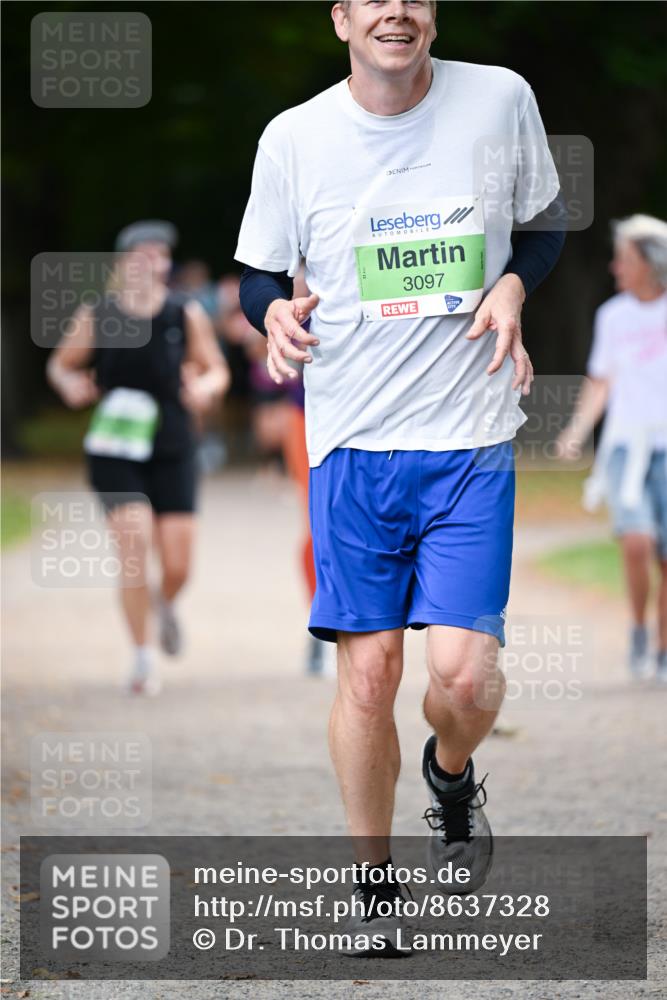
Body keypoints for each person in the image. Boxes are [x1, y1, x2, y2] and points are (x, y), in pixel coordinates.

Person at [236, 0, 564, 953]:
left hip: (467, 438)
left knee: (462, 681)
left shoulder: (499, 98)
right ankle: (373, 888)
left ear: (430, 14)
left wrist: (512, 281)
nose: (397, 12)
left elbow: (540, 229)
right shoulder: (294, 136)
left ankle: (451, 776)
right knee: (370, 674)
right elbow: (260, 272)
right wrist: (271, 316)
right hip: (352, 443)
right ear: (341, 18)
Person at [47, 220, 230, 694]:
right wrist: (70, 385)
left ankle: (163, 603)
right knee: (133, 544)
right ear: (123, 263)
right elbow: (61, 364)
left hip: (171, 442)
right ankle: (143, 656)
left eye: (161, 255)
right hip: (116, 444)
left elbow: (217, 371)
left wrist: (205, 389)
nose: (153, 262)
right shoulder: (99, 313)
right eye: (143, 254)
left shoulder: (182, 313)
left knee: (178, 564)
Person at [557, 215, 667, 681]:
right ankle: (638, 626)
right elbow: (600, 382)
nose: (615, 267)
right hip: (625, 446)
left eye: (624, 259)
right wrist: (577, 432)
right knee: (637, 540)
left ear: (649, 262)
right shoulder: (613, 316)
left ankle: (662, 646)